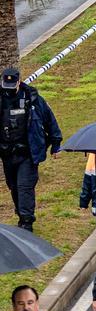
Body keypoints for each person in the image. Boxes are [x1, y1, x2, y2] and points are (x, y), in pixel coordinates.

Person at [0, 67, 61, 231]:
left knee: (24, 187)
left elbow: (50, 120)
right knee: (14, 187)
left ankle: (27, 223)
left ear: (19, 82)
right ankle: (21, 214)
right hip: (7, 154)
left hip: (27, 153)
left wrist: (56, 143)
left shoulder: (33, 99)